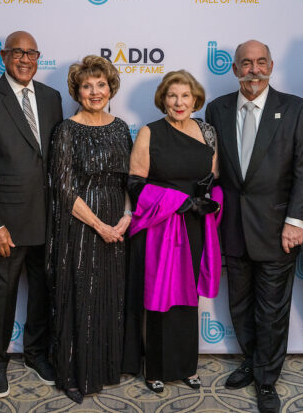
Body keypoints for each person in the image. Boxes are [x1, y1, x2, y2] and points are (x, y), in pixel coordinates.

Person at [205, 40, 303, 413]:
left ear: (270, 66)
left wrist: (296, 221)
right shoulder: (217, 108)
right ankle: (252, 363)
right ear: (235, 69)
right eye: (246, 64)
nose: (253, 70)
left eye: (260, 63)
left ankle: (267, 379)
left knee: (271, 309)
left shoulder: (295, 108)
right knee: (239, 304)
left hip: (278, 228)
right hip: (233, 227)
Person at [0, 30, 63, 399]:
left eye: (32, 53)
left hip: (48, 220)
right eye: (18, 53)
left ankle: (37, 353)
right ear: (3, 57)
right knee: (1, 295)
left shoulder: (52, 98)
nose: (25, 59)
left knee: (42, 292)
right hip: (5, 223)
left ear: (38, 58)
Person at [126, 70, 222, 394]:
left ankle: (187, 367)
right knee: (158, 296)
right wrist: (177, 201)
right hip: (159, 226)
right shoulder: (149, 133)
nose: (179, 102)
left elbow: (214, 179)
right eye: (172, 95)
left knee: (187, 296)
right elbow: (136, 184)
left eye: (185, 96)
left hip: (196, 226)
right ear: (162, 99)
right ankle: (156, 368)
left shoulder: (208, 132)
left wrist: (209, 202)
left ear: (195, 99)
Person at [45, 55, 132, 404]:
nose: (95, 92)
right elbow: (64, 190)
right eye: (87, 86)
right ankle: (74, 373)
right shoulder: (66, 130)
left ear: (110, 88)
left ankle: (106, 367)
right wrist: (100, 226)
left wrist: (125, 216)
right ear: (76, 91)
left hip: (117, 221)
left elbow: (130, 179)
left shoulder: (121, 127)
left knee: (110, 296)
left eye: (101, 85)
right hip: (81, 224)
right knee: (80, 295)